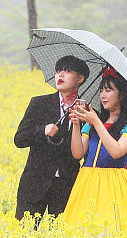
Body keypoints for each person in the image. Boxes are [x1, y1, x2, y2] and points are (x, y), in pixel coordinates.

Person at [61, 68, 127, 230]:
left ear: (121, 95)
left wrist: (96, 122)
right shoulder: (93, 121)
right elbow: (78, 153)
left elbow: (117, 152)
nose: (102, 95)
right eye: (101, 90)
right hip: (87, 181)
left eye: (108, 91)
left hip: (114, 183)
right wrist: (76, 124)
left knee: (112, 229)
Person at [13, 55, 90, 223]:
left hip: (67, 186)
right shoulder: (40, 103)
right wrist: (42, 130)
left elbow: (87, 152)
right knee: (25, 233)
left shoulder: (87, 112)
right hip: (34, 184)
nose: (60, 75)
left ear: (80, 78)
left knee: (61, 234)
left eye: (67, 71)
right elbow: (19, 139)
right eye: (58, 71)